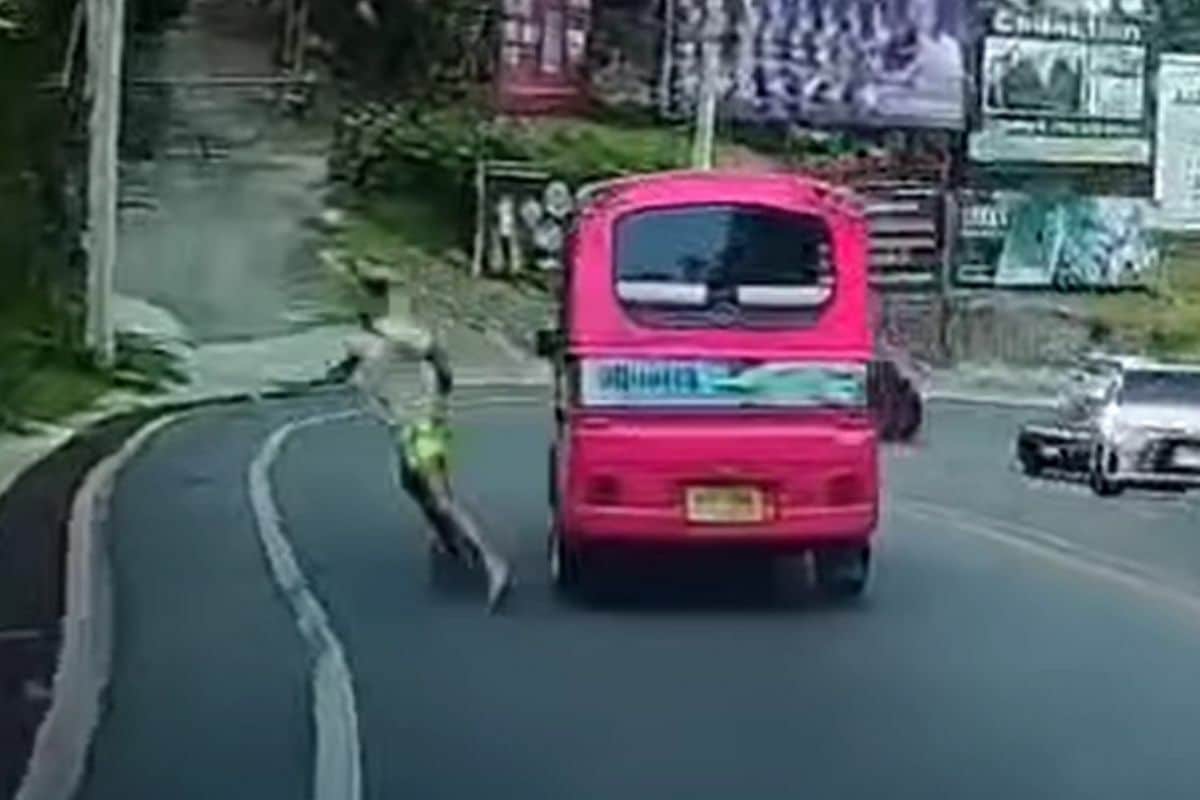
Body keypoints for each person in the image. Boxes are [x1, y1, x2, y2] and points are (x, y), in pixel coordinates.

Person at [336, 288, 512, 610]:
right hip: (410, 428)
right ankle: (452, 549)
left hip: (422, 428)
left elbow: (435, 354)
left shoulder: (396, 337)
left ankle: (492, 562)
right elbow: (357, 373)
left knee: (441, 499)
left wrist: (444, 386)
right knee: (412, 485)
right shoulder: (364, 349)